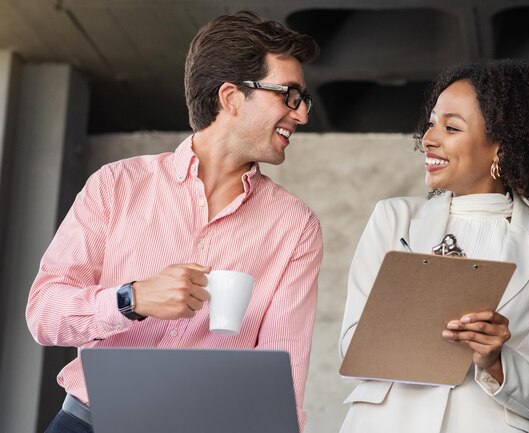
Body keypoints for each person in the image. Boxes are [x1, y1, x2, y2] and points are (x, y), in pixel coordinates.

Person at [26, 10, 322, 433]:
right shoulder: (116, 185)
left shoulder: (295, 227)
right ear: (231, 97)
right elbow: (44, 313)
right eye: (289, 95)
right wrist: (131, 299)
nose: (302, 114)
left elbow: (283, 372)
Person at [339, 59, 529, 433]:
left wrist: (498, 361)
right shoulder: (393, 219)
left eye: (451, 127)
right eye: (432, 122)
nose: (428, 138)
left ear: (502, 150)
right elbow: (352, 348)